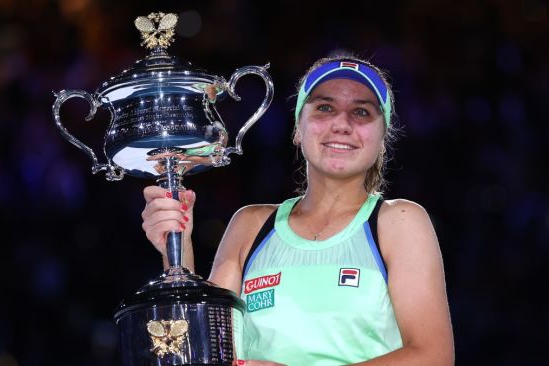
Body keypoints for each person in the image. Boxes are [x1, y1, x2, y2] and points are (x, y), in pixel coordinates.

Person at [141, 55, 455, 366]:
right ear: (298, 129)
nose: (342, 124)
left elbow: (433, 356)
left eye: (361, 112)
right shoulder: (250, 225)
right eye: (325, 108)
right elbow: (202, 351)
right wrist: (176, 251)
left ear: (382, 139)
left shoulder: (399, 221)